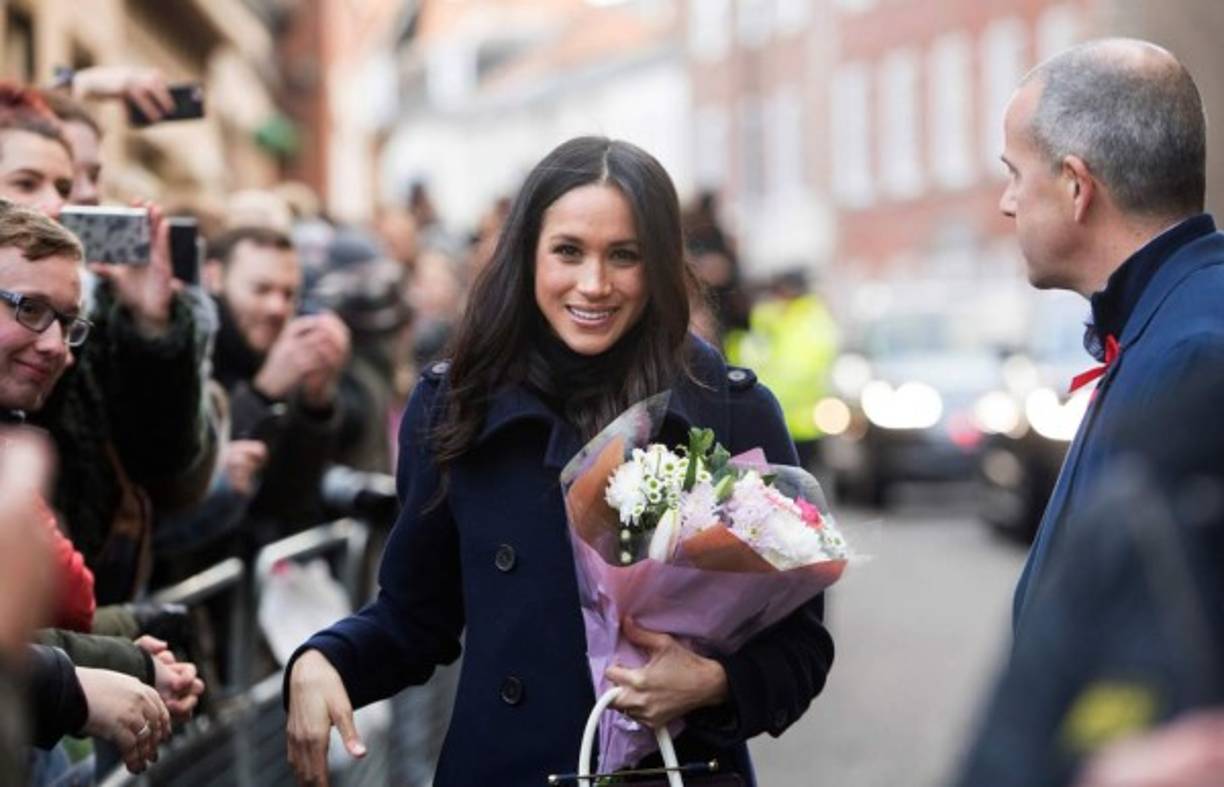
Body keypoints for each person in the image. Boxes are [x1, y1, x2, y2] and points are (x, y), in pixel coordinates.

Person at [284, 137, 835, 786]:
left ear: (658, 265)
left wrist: (713, 682)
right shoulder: (457, 406)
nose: (594, 284)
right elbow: (415, 616)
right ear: (528, 255)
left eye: (624, 255)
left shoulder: (731, 410)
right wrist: (325, 658)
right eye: (568, 251)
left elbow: (802, 647)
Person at [996, 39, 1224, 633]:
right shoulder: (1163, 321)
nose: (1007, 203)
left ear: (1076, 186)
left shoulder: (1194, 355)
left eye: (1015, 174)